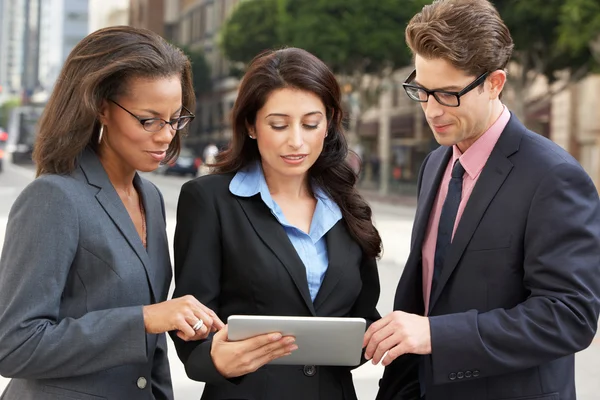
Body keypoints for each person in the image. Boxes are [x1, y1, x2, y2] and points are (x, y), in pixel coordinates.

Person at [363, 1, 600, 400]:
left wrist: (437, 335)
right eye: (421, 90)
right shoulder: (435, 164)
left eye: (449, 94)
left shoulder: (554, 176)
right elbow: (424, 296)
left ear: (495, 83)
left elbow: (570, 317)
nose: (431, 110)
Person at [0, 26, 223, 400]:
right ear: (101, 108)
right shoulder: (53, 198)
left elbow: (151, 355)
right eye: (148, 120)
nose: (167, 135)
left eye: (175, 118)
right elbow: (13, 345)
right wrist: (147, 319)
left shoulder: (149, 197)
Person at [171, 47, 382, 400]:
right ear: (251, 125)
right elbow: (191, 323)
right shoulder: (209, 200)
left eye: (311, 124)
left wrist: (374, 338)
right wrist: (215, 357)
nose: (296, 141)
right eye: (279, 125)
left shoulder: (347, 203)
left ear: (328, 123)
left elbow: (363, 316)